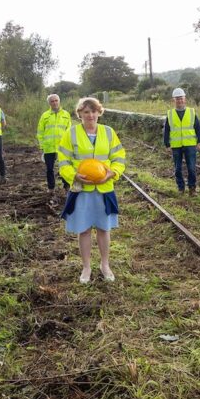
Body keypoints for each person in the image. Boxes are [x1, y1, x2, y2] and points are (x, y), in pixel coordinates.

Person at [57, 97, 126, 284]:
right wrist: (73, 175)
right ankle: (86, 267)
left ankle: (105, 265)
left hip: (104, 189)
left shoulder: (109, 132)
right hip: (82, 190)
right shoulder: (71, 134)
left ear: (99, 113)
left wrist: (113, 173)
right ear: (79, 114)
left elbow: (119, 157)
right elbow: (63, 160)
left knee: (104, 229)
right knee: (84, 229)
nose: (90, 115)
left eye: (94, 111)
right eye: (86, 112)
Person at [163, 87, 200, 195]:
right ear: (174, 100)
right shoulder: (170, 114)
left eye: (181, 98)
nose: (179, 100)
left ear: (185, 99)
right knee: (177, 169)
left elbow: (198, 127)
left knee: (191, 168)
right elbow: (166, 129)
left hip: (190, 145)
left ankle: (192, 188)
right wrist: (167, 144)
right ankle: (181, 188)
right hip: (176, 146)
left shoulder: (191, 112)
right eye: (177, 99)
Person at [37, 93, 72, 191]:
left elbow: (69, 131)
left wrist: (68, 144)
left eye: (56, 100)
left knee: (65, 167)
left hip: (62, 146)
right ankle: (51, 188)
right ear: (49, 103)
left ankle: (67, 186)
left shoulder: (66, 114)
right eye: (52, 101)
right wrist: (42, 146)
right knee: (49, 169)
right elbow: (40, 132)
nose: (55, 103)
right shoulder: (45, 115)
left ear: (59, 101)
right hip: (49, 147)